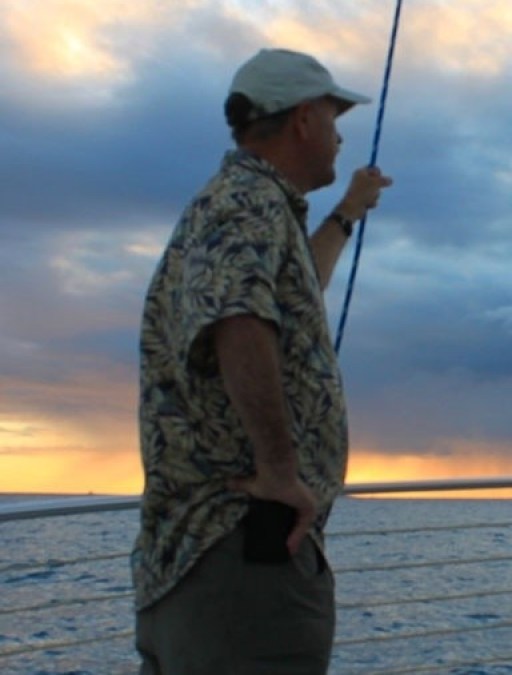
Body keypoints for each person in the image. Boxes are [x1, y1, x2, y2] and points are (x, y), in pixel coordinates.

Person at [133, 48, 393, 674]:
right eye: (335, 120)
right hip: (241, 555)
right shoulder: (246, 202)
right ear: (303, 119)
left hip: (216, 557)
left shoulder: (246, 206)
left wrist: (348, 213)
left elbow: (292, 284)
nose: (338, 138)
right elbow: (239, 320)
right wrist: (279, 469)